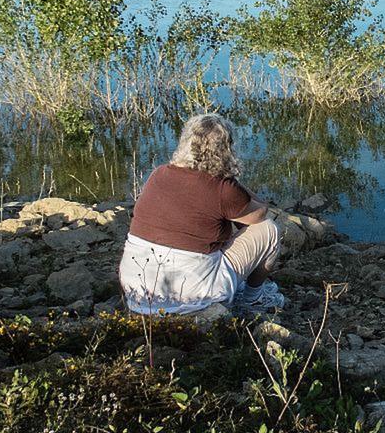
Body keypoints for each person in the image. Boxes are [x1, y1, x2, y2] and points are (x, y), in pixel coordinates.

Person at [119, 113, 284, 315]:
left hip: (137, 290)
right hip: (192, 294)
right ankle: (253, 299)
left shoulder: (158, 174)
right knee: (268, 229)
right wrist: (230, 179)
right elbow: (260, 213)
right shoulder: (222, 188)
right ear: (227, 149)